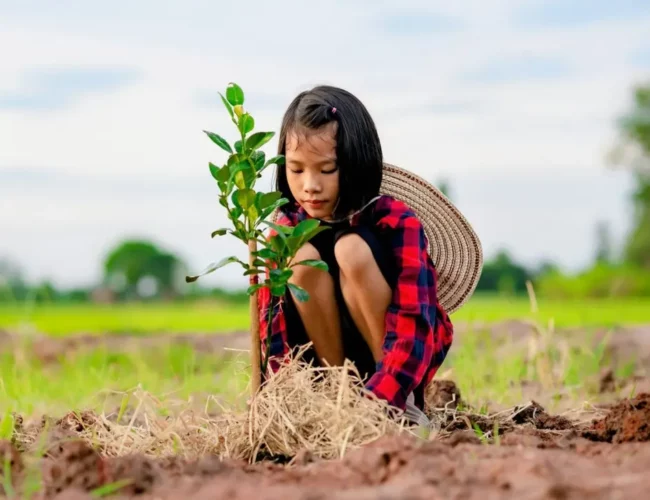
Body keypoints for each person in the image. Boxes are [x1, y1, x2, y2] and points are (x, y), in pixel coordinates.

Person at [257, 85, 482, 423]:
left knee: (351, 249)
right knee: (300, 259)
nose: (310, 185)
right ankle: (339, 399)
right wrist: (275, 400)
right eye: (297, 169)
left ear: (353, 163)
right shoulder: (286, 230)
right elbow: (271, 328)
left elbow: (414, 318)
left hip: (394, 365)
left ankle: (398, 409)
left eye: (327, 169)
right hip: (324, 370)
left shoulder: (393, 221)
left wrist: (384, 398)